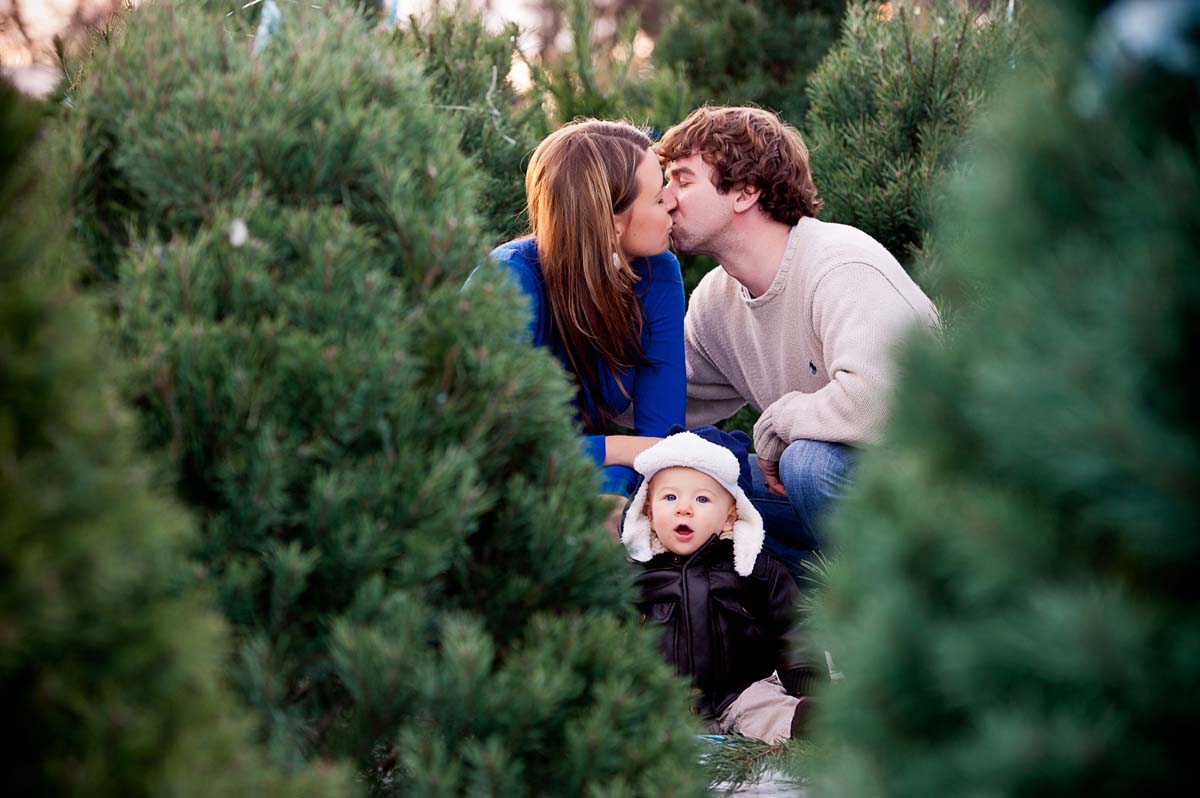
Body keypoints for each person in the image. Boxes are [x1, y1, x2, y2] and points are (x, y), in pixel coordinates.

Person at [656, 106, 940, 575]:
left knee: (808, 464)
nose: (665, 198)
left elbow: (887, 400)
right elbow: (666, 402)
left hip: (935, 498)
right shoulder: (717, 298)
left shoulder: (840, 265)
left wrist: (780, 421)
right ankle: (804, 608)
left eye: (682, 181)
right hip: (834, 502)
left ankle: (892, 608)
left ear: (746, 191)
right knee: (692, 483)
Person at [489, 120, 685, 505]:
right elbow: (491, 446)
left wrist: (611, 480)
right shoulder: (509, 280)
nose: (672, 201)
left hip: (580, 478)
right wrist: (615, 448)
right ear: (611, 223)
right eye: (657, 197)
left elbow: (661, 440)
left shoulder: (657, 274)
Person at [621, 428, 821, 742]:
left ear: (730, 516)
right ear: (648, 509)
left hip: (739, 693)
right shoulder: (632, 578)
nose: (683, 508)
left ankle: (807, 723)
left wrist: (807, 682)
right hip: (662, 703)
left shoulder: (755, 570)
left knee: (768, 708)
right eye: (670, 497)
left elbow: (793, 628)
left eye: (702, 499)